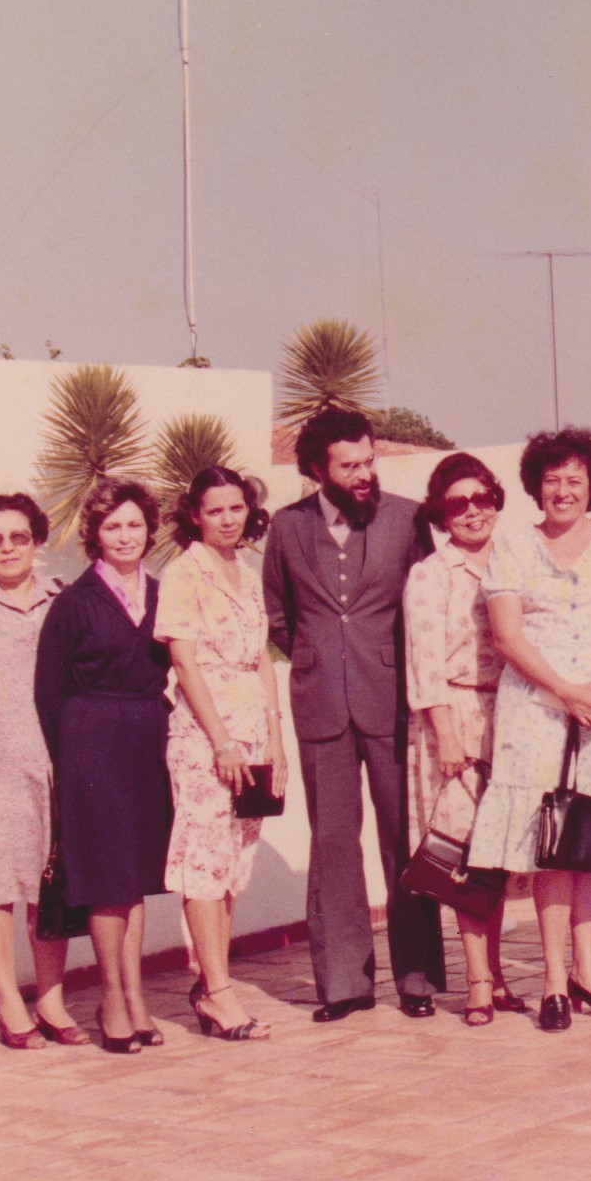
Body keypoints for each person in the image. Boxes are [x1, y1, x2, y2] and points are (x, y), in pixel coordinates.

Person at [264, 407, 445, 1022]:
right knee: (334, 843)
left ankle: (417, 979)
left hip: (393, 702)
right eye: (350, 466)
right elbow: (279, 616)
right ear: (318, 469)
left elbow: (426, 604)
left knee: (405, 842)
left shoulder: (406, 518)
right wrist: (320, 659)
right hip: (321, 708)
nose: (365, 473)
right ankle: (344, 983)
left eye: (369, 460)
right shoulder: (287, 529)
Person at [470, 428, 591, 1032]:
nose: (563, 491)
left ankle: (589, 974)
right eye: (552, 480)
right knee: (551, 845)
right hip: (538, 713)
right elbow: (508, 635)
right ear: (536, 487)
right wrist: (565, 691)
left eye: (575, 480)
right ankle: (553, 981)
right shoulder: (515, 549)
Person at [34, 479, 174, 1053]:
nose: (125, 535)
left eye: (134, 525)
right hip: (91, 742)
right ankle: (112, 998)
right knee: (105, 880)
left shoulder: (166, 594)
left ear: (149, 529)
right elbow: (48, 691)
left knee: (135, 879)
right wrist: (69, 764)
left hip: (147, 738)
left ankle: (135, 996)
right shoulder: (74, 602)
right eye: (112, 526)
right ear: (94, 533)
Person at [157, 466, 285, 1042]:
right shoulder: (184, 574)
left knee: (233, 863)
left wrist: (276, 741)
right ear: (195, 515)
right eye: (216, 511)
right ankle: (217, 990)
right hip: (206, 738)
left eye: (236, 509)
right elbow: (184, 663)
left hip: (252, 728)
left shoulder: (248, 572)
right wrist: (222, 741)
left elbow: (261, 659)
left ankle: (215, 981)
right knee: (205, 861)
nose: (228, 520)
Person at [405, 452, 527, 1027]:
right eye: (459, 504)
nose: (473, 511)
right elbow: (424, 663)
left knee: (498, 855)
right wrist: (447, 734)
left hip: (512, 716)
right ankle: (477, 979)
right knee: (464, 856)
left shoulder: (516, 559)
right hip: (454, 718)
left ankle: (497, 975)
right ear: (442, 514)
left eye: (482, 499)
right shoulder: (431, 574)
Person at [0, 492, 80, 1049]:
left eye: (18, 537)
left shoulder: (65, 599)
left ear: (37, 540)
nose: (6, 548)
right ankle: (10, 1004)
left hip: (60, 760)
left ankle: (51, 997)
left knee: (50, 884)